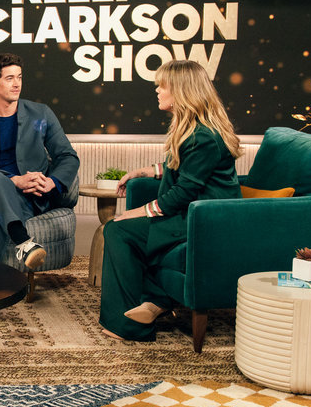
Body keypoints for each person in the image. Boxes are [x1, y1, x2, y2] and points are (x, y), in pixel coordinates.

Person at [99, 59, 242, 342]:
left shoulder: (203, 136)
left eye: (162, 86)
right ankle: (154, 301)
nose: (157, 90)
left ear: (181, 91)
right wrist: (147, 171)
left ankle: (132, 323)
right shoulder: (193, 130)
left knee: (118, 229)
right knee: (120, 229)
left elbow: (184, 191)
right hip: (192, 213)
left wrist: (138, 212)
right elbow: (186, 168)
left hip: (205, 219)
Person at [0, 53, 80, 269]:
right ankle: (23, 240)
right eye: (9, 78)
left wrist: (52, 182)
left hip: (27, 196)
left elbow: (67, 155)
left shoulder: (41, 114)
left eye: (19, 77)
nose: (17, 84)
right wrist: (15, 180)